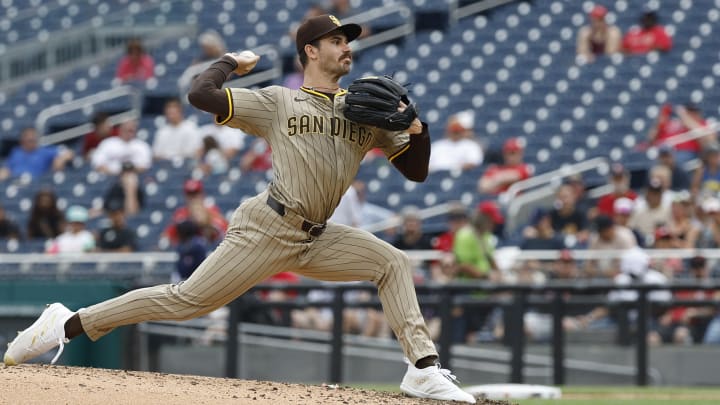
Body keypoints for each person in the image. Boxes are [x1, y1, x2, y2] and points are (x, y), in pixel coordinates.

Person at [2, 15, 476, 403]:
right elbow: (198, 95)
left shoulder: (363, 112)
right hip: (269, 227)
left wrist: (417, 127)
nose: (347, 47)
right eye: (336, 40)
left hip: (319, 236)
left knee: (392, 261)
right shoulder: (279, 101)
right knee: (187, 301)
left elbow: (415, 172)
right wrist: (229, 61)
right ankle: (66, 323)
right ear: (311, 50)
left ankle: (422, 368)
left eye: (347, 40)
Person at [162, 179, 228, 246]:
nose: (193, 197)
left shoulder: (212, 211)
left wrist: (207, 222)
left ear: (202, 194)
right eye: (190, 194)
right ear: (185, 196)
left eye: (195, 193)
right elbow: (167, 236)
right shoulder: (180, 214)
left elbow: (226, 232)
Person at [648, 103, 714, 165]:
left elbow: (709, 140)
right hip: (664, 151)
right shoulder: (672, 123)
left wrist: (684, 117)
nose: (693, 114)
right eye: (690, 111)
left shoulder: (702, 124)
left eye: (695, 111)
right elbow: (651, 139)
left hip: (686, 153)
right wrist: (661, 119)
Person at [0, 127, 74, 181]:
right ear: (22, 140)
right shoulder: (16, 152)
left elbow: (69, 153)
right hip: (15, 182)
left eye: (33, 139)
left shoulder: (44, 151)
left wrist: (61, 159)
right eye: (29, 140)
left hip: (36, 183)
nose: (31, 142)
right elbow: (7, 168)